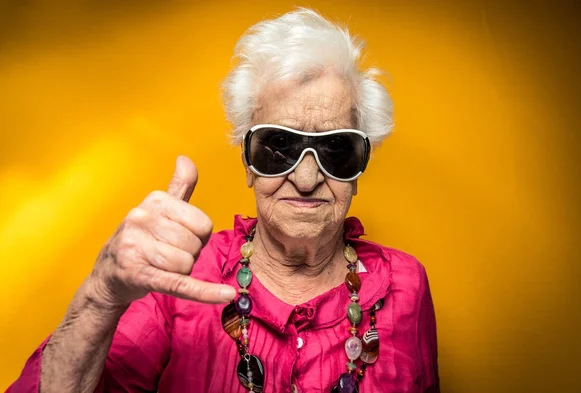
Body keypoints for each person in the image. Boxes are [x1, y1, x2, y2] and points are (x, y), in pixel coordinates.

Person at [8, 8, 439, 393]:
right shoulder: (175, 280)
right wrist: (101, 295)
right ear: (248, 163)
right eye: (277, 147)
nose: (306, 179)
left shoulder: (406, 285)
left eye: (336, 150)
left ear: (360, 167)